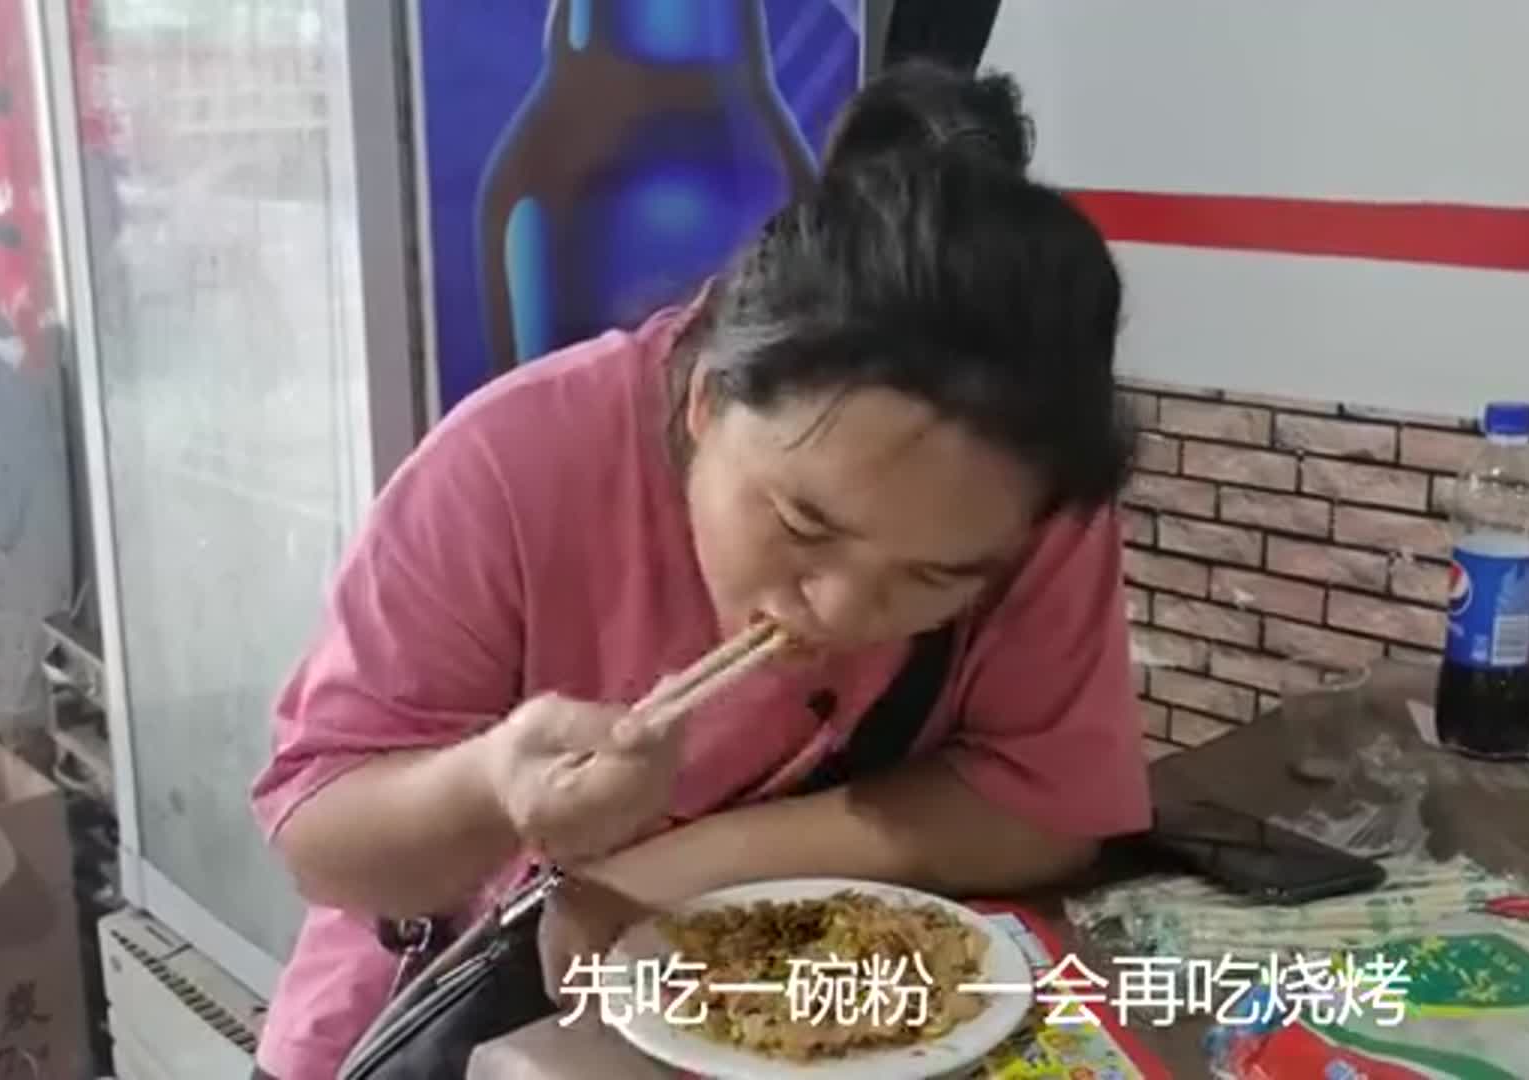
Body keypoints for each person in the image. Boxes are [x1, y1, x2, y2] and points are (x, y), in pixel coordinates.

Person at [248, 60, 1150, 1079]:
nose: (844, 609)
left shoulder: (1014, 493)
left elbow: (1051, 808)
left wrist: (663, 873)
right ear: (708, 401)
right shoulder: (514, 461)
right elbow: (318, 841)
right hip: (453, 1030)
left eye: (936, 579)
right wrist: (492, 787)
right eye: (804, 523)